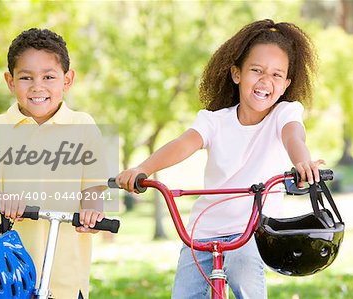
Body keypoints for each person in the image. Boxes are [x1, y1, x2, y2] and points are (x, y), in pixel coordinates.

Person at [115, 19, 325, 299]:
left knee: (242, 271)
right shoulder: (214, 122)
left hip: (251, 230)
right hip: (203, 230)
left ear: (286, 84)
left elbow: (293, 138)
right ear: (236, 74)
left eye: (277, 75)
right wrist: (143, 168)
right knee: (185, 293)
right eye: (256, 70)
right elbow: (182, 145)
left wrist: (303, 162)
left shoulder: (284, 114)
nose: (265, 81)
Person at [0, 28, 107, 299]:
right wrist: (2, 200)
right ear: (10, 81)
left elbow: (93, 187)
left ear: (67, 80)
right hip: (9, 270)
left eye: (49, 77)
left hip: (65, 269)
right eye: (25, 77)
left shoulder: (82, 126)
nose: (37, 86)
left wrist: (92, 213)